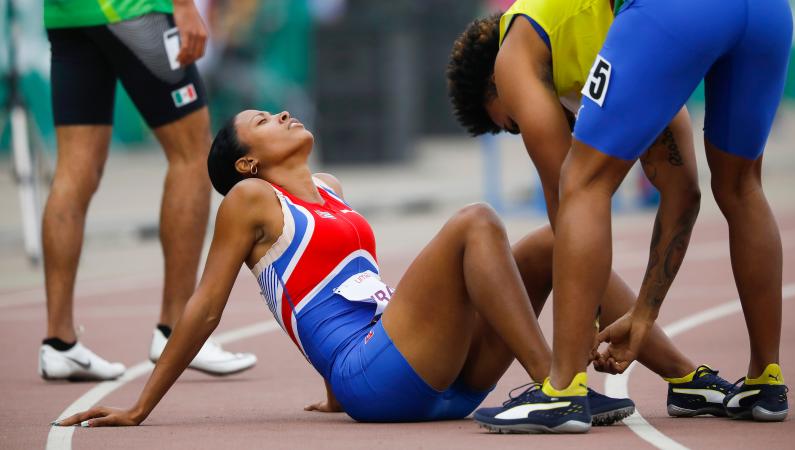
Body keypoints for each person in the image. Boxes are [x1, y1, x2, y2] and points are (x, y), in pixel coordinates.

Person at [53, 109, 645, 428]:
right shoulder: (250, 201)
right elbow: (207, 306)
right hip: (379, 379)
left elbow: (350, 290)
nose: (283, 113)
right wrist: (140, 406)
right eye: (263, 120)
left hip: (441, 382)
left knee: (548, 244)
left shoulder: (332, 190)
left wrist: (330, 390)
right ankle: (558, 386)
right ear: (248, 162)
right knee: (476, 221)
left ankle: (683, 376)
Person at [464, 0, 793, 432]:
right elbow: (682, 193)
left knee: (582, 180)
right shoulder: (630, 51)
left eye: (512, 123)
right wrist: (642, 314)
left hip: (678, 12)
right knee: (741, 186)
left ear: (494, 85)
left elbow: (566, 199)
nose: (527, 123)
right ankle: (765, 380)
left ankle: (562, 392)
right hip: (767, 12)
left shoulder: (514, 50)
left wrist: (579, 333)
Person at [39, 0, 255, 381]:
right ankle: (176, 331)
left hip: (67, 13)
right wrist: (184, 6)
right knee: (191, 154)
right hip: (134, 10)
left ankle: (60, 343)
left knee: (74, 170)